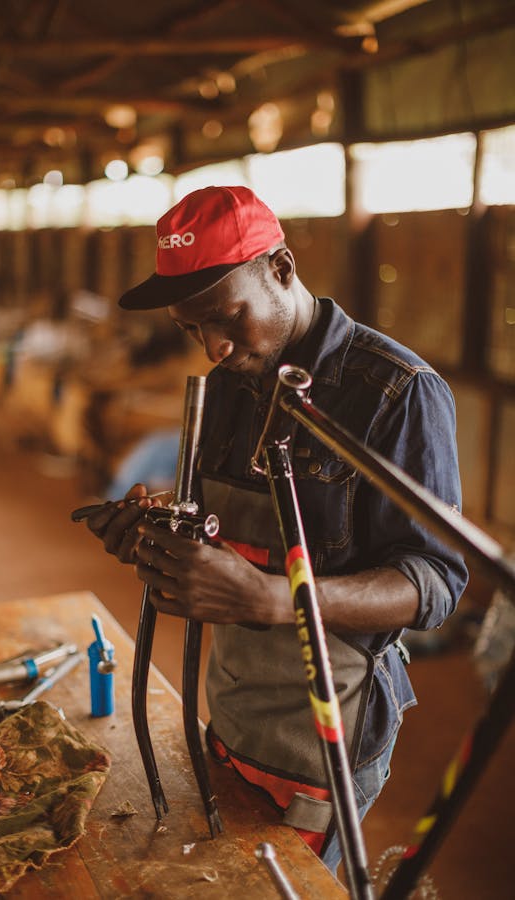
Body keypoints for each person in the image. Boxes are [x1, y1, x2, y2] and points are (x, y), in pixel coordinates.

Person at [82, 185, 468, 873]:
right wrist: (159, 528)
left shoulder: (397, 393)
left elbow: (436, 584)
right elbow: (219, 516)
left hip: (329, 731)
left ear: (282, 269)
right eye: (191, 329)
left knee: (291, 886)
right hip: (232, 707)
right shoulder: (232, 383)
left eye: (227, 317)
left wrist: (274, 599)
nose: (214, 347)